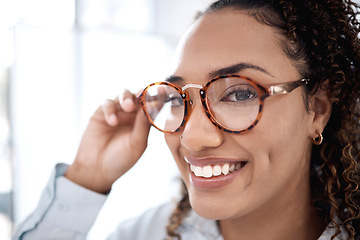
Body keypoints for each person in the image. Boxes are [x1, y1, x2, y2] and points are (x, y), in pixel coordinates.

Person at [14, 0, 360, 239]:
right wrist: (86, 177)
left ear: (318, 107)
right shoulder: (145, 235)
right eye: (179, 99)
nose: (192, 138)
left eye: (239, 94)